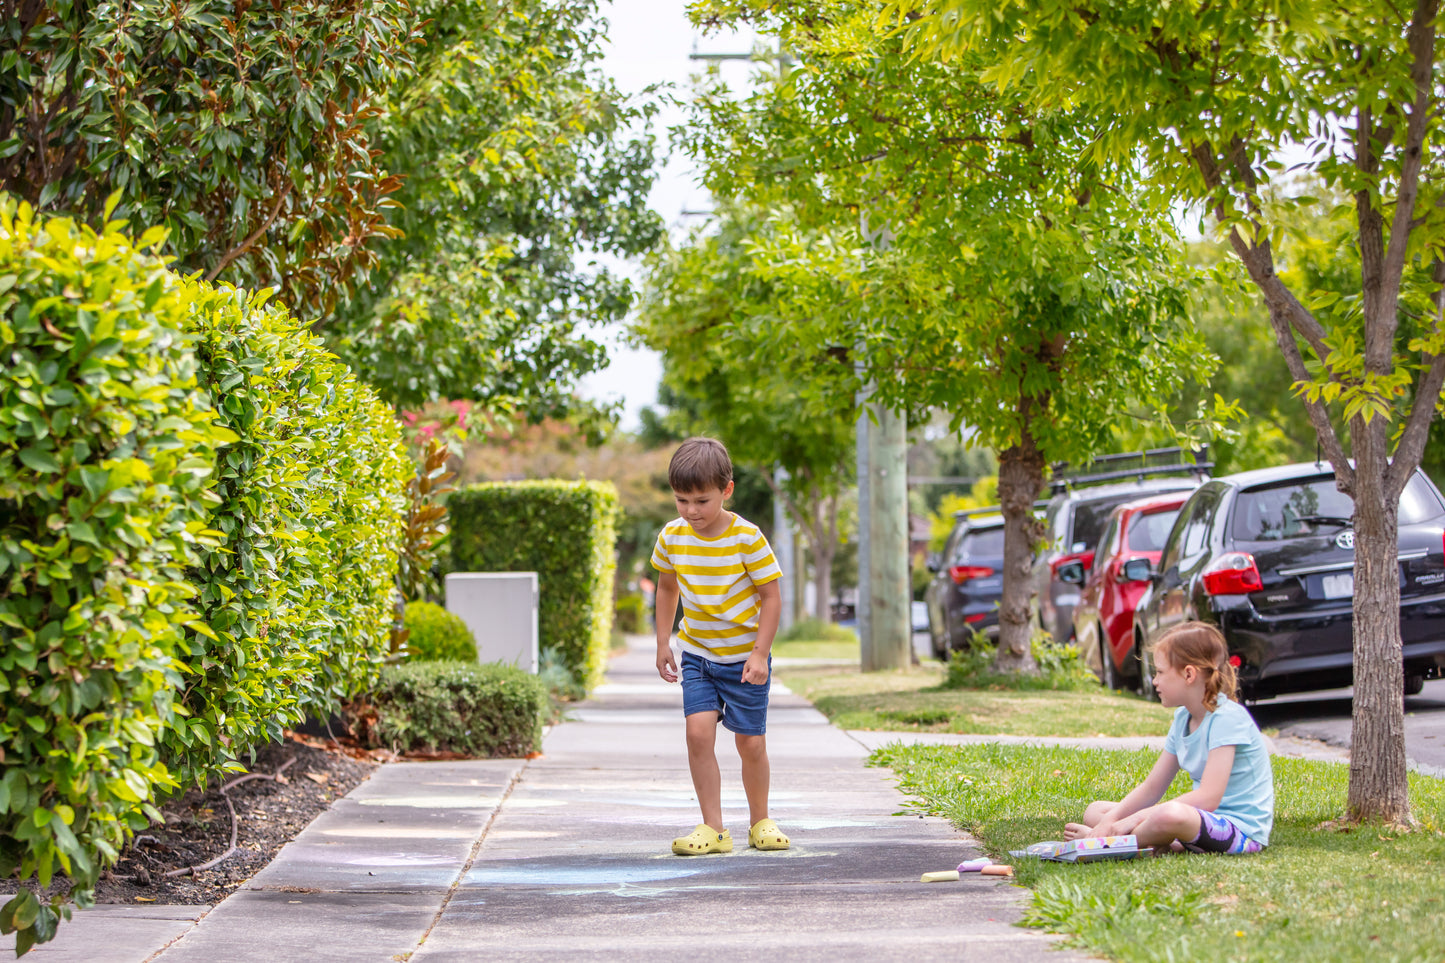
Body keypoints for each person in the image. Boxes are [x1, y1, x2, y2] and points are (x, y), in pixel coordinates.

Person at [651, 437, 789, 856]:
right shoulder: (673, 536)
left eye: (701, 501)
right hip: (698, 655)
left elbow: (771, 597)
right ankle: (714, 828)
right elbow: (666, 587)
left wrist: (760, 653)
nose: (691, 511)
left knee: (750, 743)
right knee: (697, 735)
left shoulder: (747, 538)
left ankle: (760, 821)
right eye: (681, 500)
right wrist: (663, 642)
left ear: (726, 490)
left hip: (744, 660)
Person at [1064, 621, 1274, 854]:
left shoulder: (1226, 718)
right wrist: (1110, 820)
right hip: (1199, 822)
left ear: (1188, 674)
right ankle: (1160, 841)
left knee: (1169, 814)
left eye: (1161, 672)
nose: (1155, 681)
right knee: (1096, 811)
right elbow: (1153, 787)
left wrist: (1132, 820)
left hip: (1239, 831)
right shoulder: (1183, 717)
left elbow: (1209, 798)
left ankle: (1108, 844)